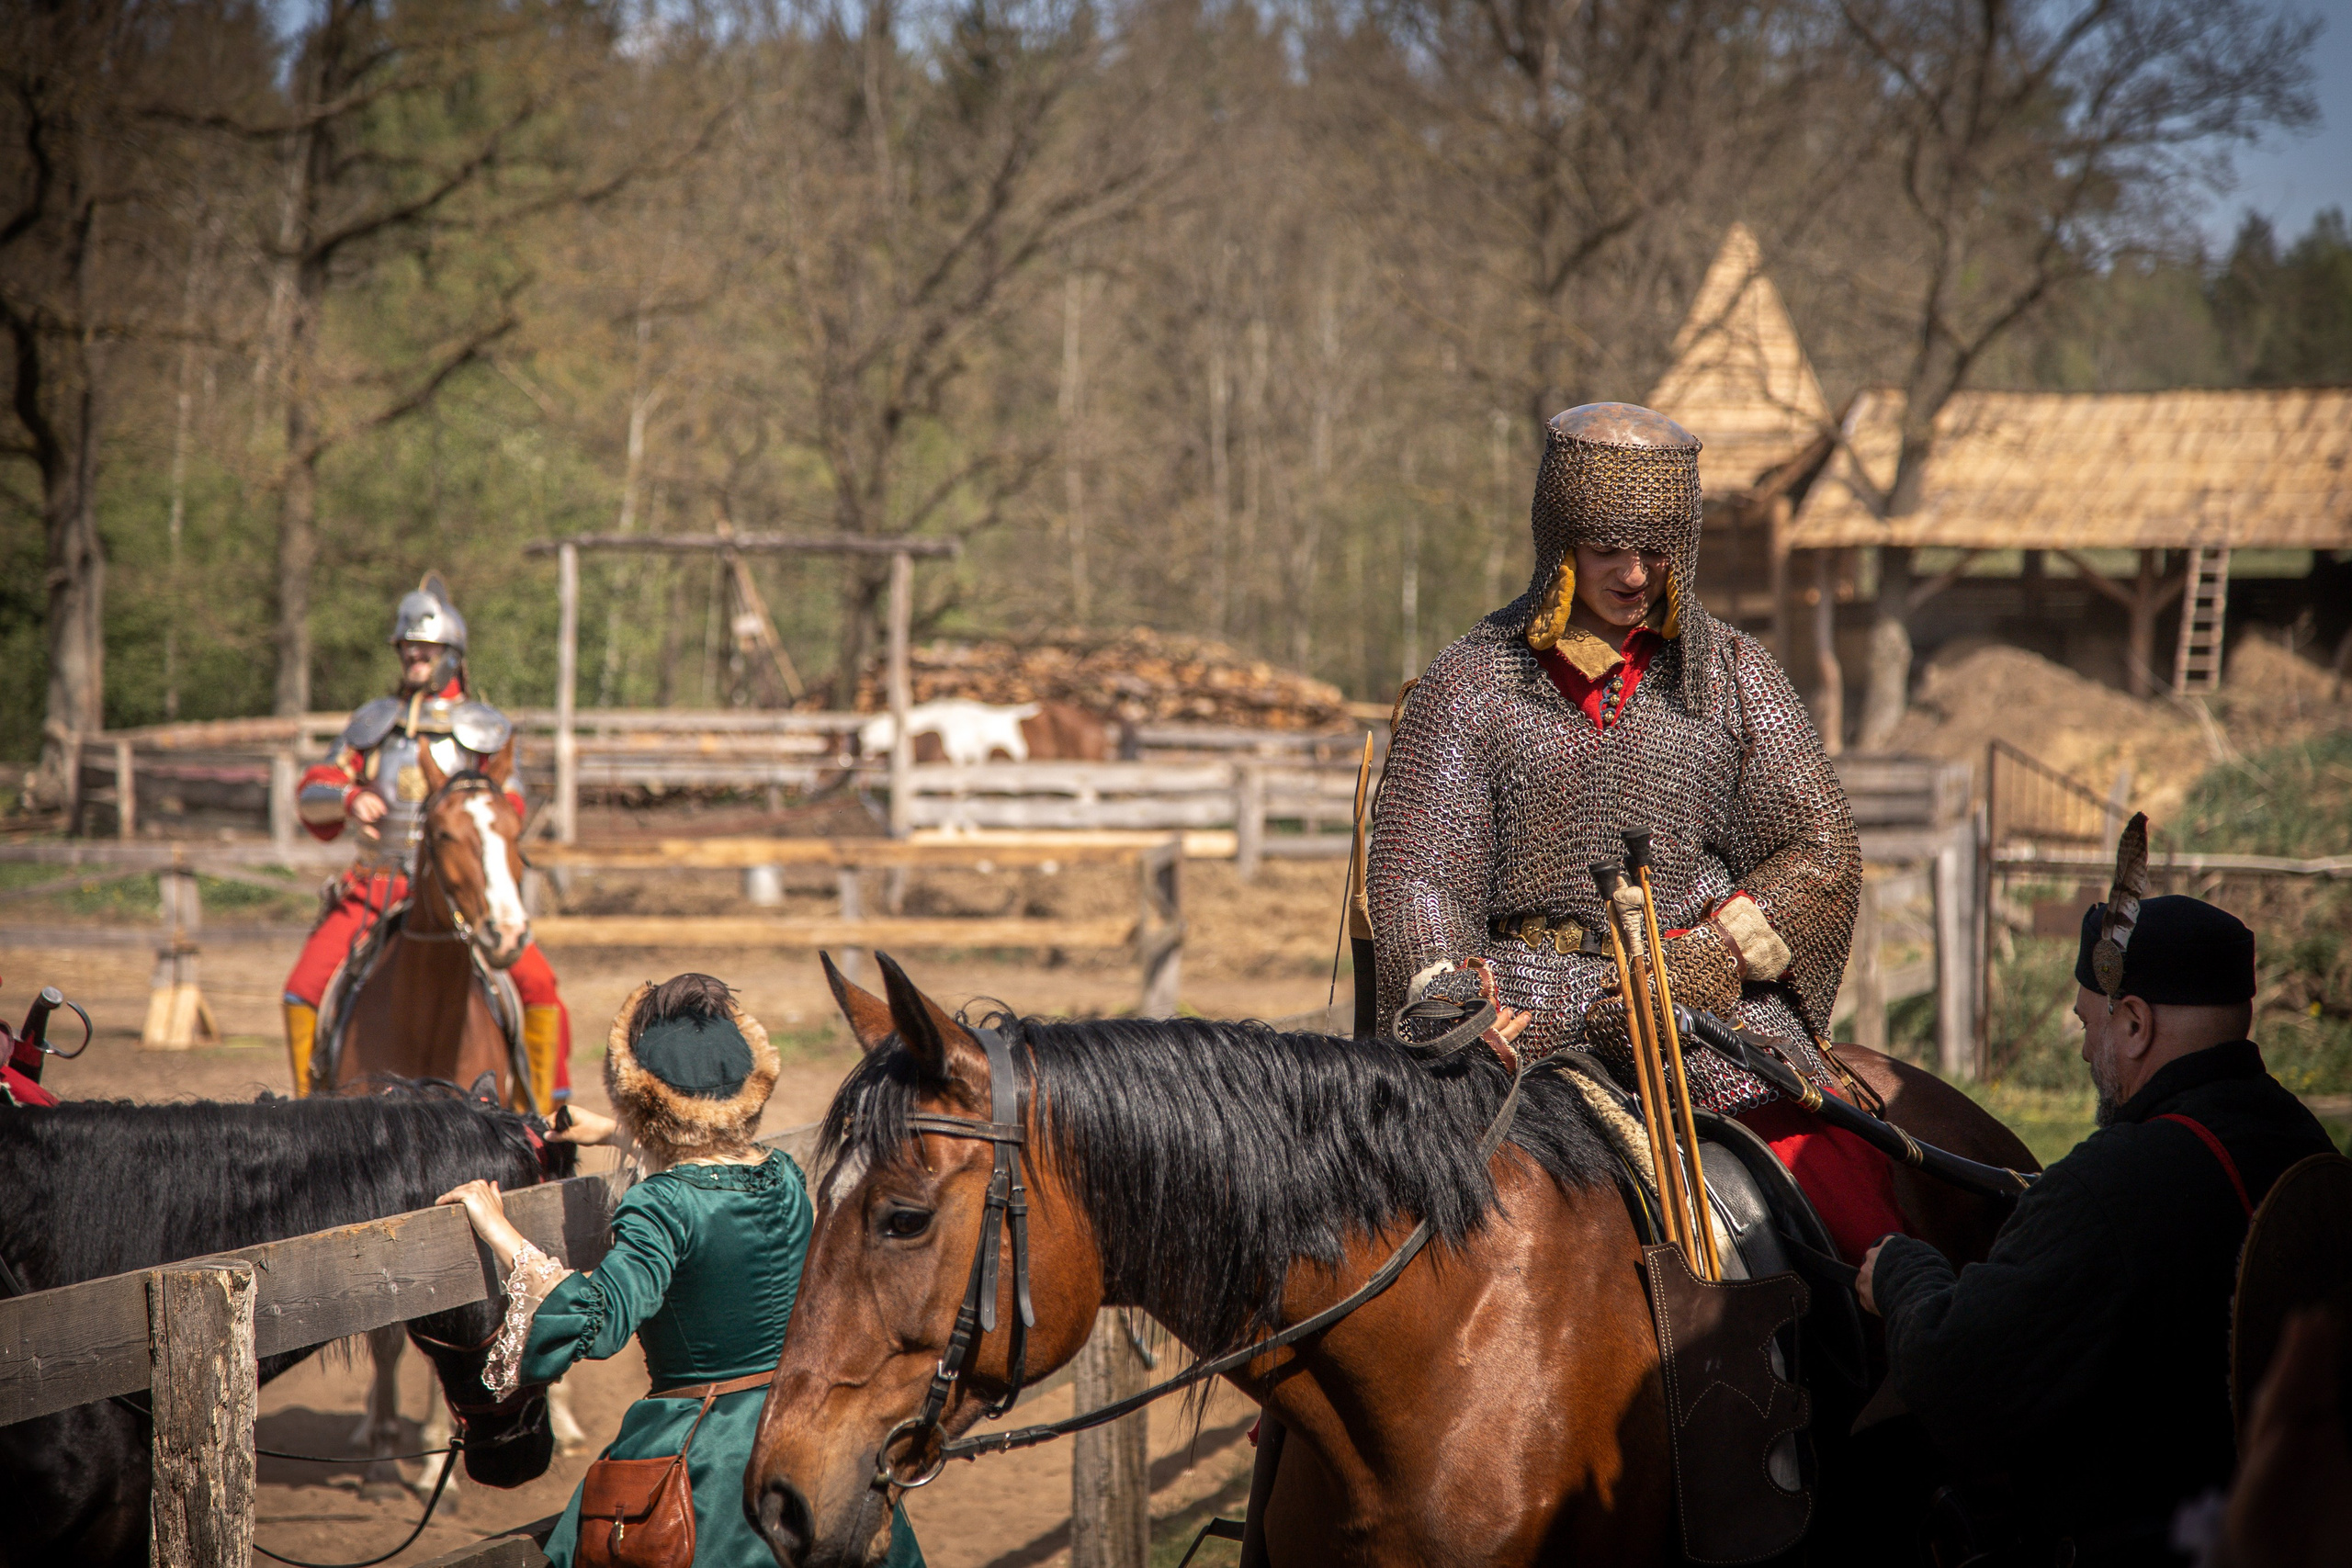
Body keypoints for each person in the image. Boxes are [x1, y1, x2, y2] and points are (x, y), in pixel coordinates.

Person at [1367, 401, 1902, 1259]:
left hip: (1700, 1010)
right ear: (1561, 539)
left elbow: (1820, 850)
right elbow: (1420, 874)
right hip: (1519, 1003)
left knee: (1837, 1198)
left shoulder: (1728, 675)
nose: (1633, 574)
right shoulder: (1472, 681)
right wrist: (1455, 1001)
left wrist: (1717, 957)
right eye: (1609, 548)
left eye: (1655, 550)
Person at [1857, 894, 2335, 1564]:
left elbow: (1955, 1375)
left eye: (2089, 1022)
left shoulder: (2109, 1185)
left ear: (2134, 1023)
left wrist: (1904, 1273)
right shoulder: (2305, 1141)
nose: (2085, 1047)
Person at [437, 974, 925, 1568]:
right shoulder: (783, 1176)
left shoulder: (663, 1202)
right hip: (805, 1435)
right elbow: (711, 1162)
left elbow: (599, 1318)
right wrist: (609, 1131)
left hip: (707, 1459)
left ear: (643, 1100)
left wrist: (501, 1230)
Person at [279, 573, 571, 1109]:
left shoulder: (484, 730)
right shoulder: (374, 724)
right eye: (407, 648)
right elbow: (313, 790)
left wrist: (477, 822)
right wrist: (348, 798)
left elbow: (512, 804)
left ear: (452, 652)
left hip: (464, 887)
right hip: (380, 881)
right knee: (304, 987)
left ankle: (544, 1122)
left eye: (426, 648)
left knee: (539, 988)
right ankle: (307, 1112)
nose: (414, 656)